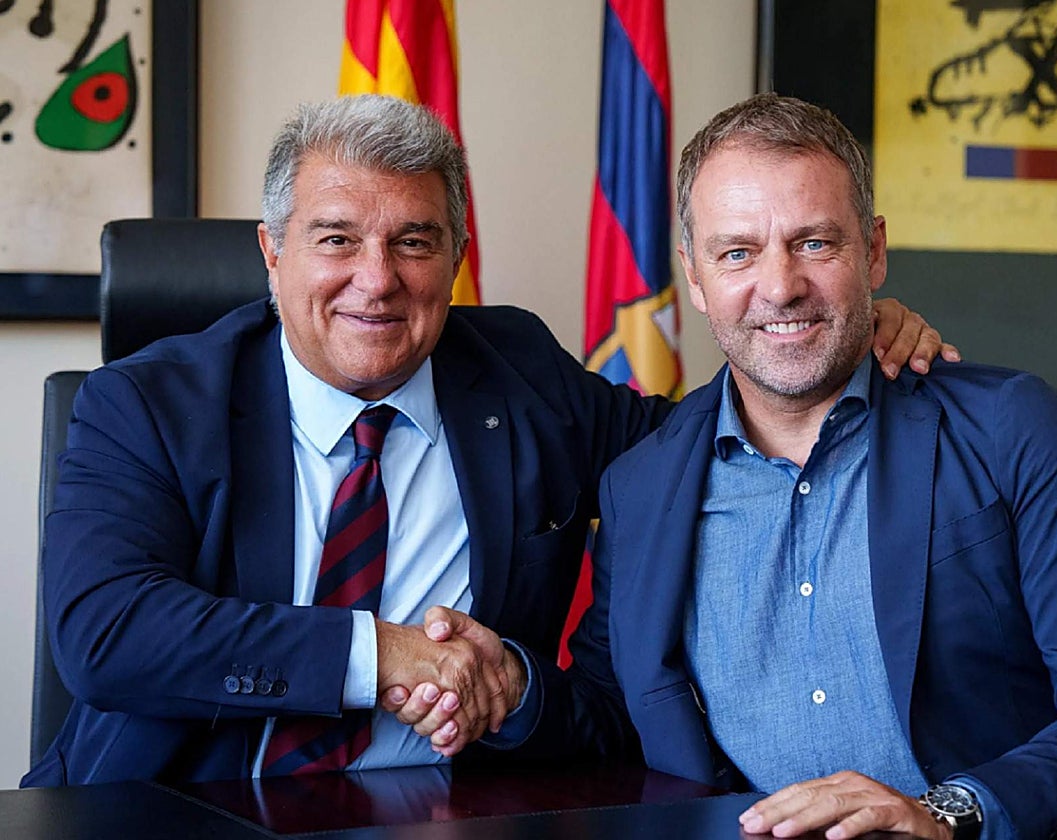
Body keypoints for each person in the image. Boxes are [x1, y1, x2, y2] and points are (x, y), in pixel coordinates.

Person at [22, 94, 948, 787]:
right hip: (170, 808)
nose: (376, 281)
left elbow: (712, 445)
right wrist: (378, 655)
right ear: (272, 252)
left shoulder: (517, 375)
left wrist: (833, 332)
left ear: (458, 254)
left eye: (415, 242)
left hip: (451, 811)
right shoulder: (143, 404)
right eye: (336, 239)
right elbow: (106, 633)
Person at [408, 93, 1057, 838]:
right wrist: (513, 687)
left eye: (814, 242)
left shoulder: (1009, 427)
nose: (780, 287)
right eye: (738, 251)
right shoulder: (642, 483)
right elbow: (618, 713)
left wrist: (951, 812)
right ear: (694, 273)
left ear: (875, 250)